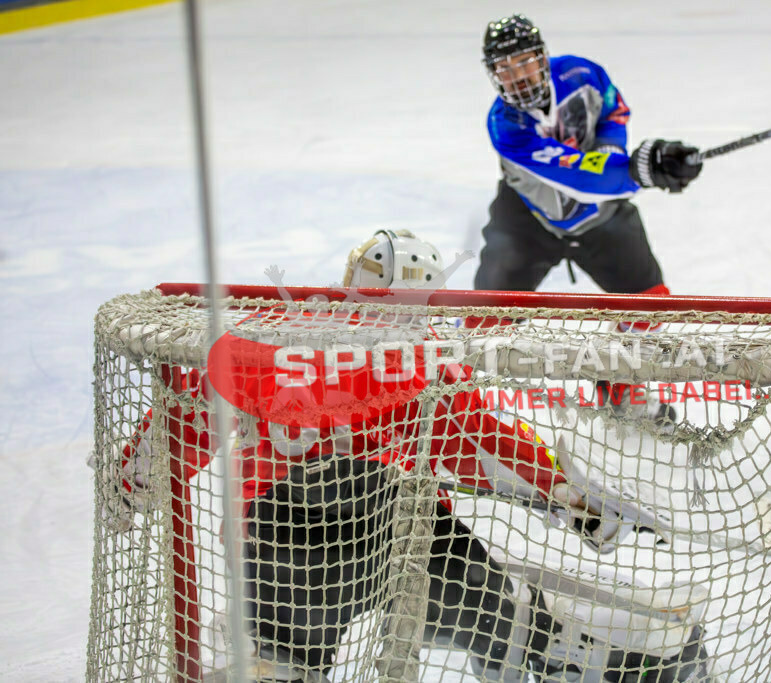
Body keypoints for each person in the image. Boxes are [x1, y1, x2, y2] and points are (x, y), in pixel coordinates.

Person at [105, 230, 712, 682]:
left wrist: (134, 482)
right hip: (401, 528)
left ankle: (274, 659)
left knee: (281, 658)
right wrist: (565, 496)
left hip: (281, 534)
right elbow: (484, 444)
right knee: (502, 622)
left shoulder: (267, 335)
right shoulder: (425, 358)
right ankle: (581, 658)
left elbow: (186, 404)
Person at [476, 15, 703, 425]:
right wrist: (635, 171)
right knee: (483, 318)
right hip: (528, 222)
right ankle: (453, 395)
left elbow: (614, 112)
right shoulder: (505, 126)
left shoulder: (583, 74)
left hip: (603, 215)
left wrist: (617, 157)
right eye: (504, 69)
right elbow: (577, 180)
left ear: (543, 57)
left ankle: (618, 383)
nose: (517, 77)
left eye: (524, 62)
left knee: (648, 304)